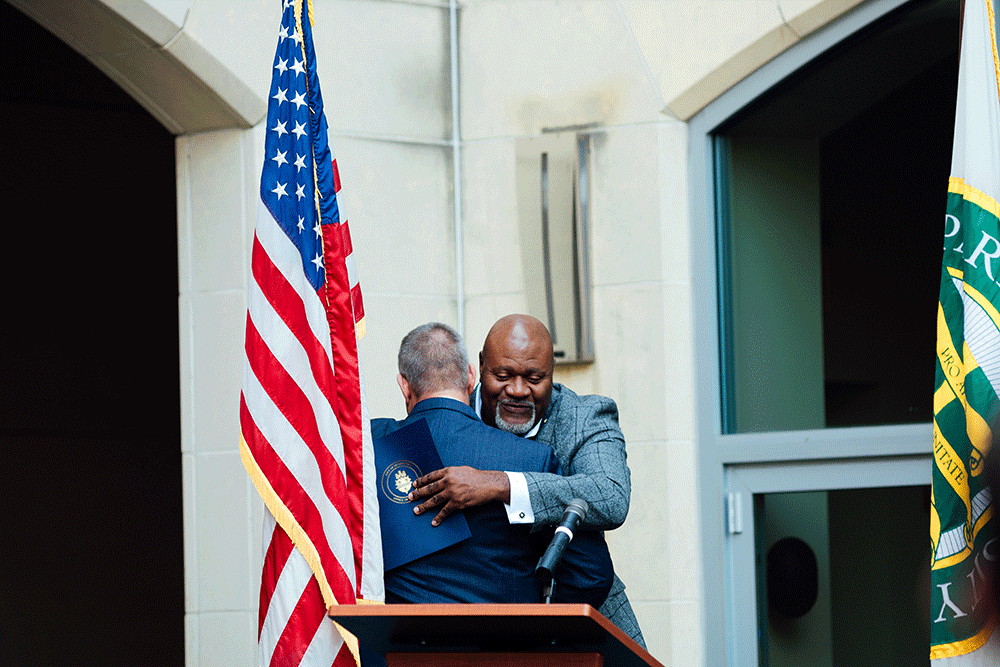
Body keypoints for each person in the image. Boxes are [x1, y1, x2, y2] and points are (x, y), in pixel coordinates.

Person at [406, 314, 645, 646]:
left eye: (534, 378)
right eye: (502, 375)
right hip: (466, 629)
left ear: (552, 375)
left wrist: (501, 484)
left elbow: (611, 496)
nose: (517, 390)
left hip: (581, 621)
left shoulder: (584, 418)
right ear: (478, 368)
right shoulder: (449, 417)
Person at [371, 322, 613, 608]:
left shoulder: (370, 446)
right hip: (506, 646)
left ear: (404, 384)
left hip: (396, 646)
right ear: (472, 376)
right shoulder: (532, 459)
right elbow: (591, 575)